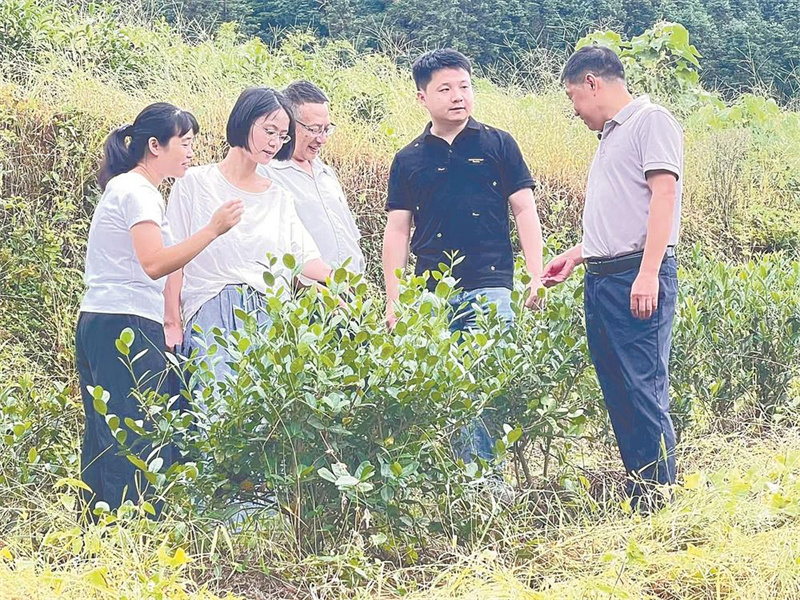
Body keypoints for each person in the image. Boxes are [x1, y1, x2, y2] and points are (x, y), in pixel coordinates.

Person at [382, 48, 545, 464]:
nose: (458, 96)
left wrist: (536, 274)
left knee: (490, 386)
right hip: (432, 292)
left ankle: (492, 480)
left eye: (464, 86)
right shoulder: (408, 158)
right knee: (448, 392)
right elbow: (398, 230)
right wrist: (394, 299)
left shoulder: (499, 144)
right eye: (445, 89)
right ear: (422, 97)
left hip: (491, 284)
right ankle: (464, 479)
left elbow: (524, 210)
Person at [77, 102, 243, 512]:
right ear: (155, 145)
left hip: (102, 319)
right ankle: (133, 529)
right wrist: (212, 229)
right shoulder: (139, 193)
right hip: (126, 321)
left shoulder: (127, 188)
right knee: (136, 433)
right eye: (184, 143)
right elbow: (154, 263)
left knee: (106, 431)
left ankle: (97, 529)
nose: (190, 152)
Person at [542, 45, 683, 510]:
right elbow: (623, 215)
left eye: (573, 97)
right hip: (602, 278)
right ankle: (640, 490)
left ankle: (661, 497)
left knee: (643, 388)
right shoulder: (609, 136)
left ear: (592, 83)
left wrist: (648, 273)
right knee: (618, 388)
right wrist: (577, 255)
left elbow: (664, 197)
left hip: (635, 276)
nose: (574, 109)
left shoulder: (650, 121)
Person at [164, 87, 333, 382]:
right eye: (269, 131)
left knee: (265, 409)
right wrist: (171, 322)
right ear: (244, 121)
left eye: (283, 136)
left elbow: (305, 259)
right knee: (214, 403)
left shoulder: (279, 197)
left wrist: (346, 285)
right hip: (212, 308)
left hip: (269, 314)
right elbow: (173, 259)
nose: (274, 142)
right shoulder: (194, 183)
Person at [260, 80, 366, 278]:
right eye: (315, 129)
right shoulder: (269, 174)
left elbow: (350, 235)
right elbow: (270, 247)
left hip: (349, 287)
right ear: (290, 125)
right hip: (310, 289)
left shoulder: (325, 172)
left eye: (326, 129)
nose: (322, 139)